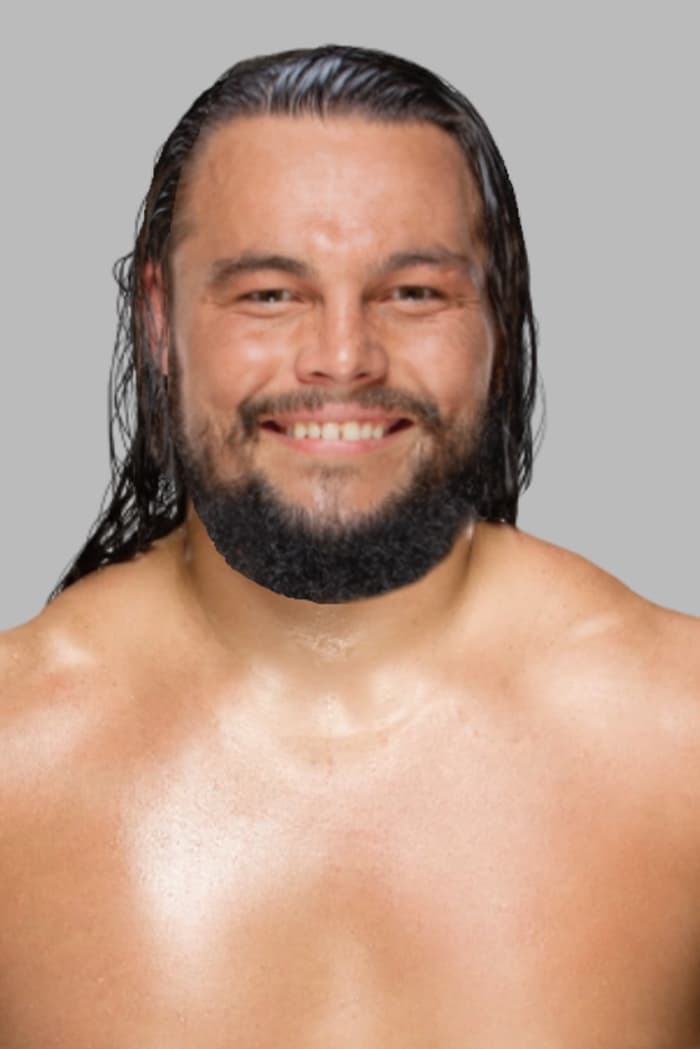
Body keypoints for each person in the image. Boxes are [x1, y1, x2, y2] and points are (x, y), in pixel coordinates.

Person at [1, 43, 698, 1048]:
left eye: (413, 292)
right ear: (159, 320)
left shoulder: (680, 734)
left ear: (497, 319)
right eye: (269, 294)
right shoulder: (14, 748)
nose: (342, 357)